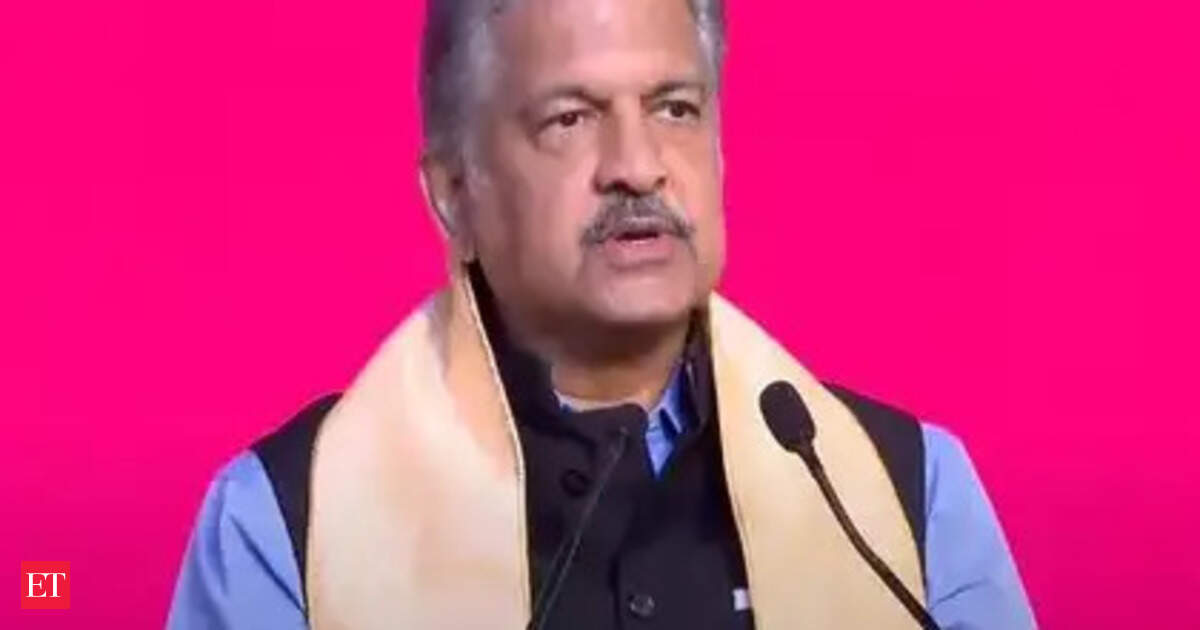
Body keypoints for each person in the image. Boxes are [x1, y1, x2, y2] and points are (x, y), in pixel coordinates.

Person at [168, 1, 1036, 628]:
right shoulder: (285, 526)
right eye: (571, 118)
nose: (637, 165)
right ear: (455, 196)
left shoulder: (900, 496)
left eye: (674, 109)